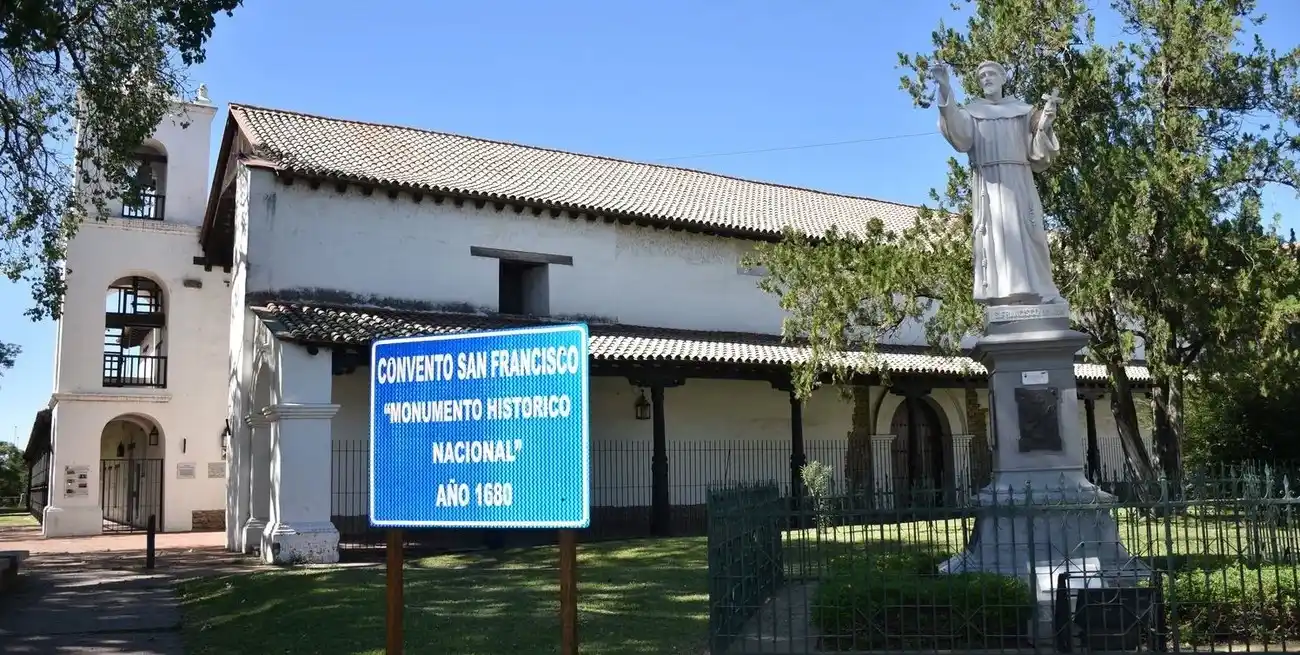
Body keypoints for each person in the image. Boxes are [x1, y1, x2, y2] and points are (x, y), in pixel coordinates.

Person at [931, 60, 1065, 306]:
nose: (987, 78)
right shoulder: (973, 113)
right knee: (997, 238)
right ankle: (1003, 294)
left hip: (1020, 182)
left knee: (1031, 233)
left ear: (1004, 78)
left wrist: (1044, 126)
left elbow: (1038, 155)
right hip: (990, 186)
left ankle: (1043, 291)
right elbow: (958, 133)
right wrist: (945, 88)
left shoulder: (1023, 111)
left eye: (991, 74)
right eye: (982, 76)